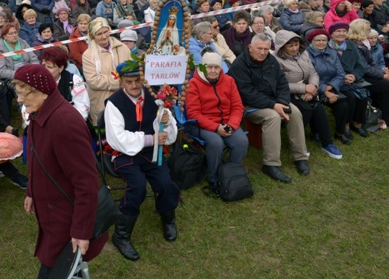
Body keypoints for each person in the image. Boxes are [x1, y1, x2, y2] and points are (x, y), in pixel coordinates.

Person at [16, 65, 107, 277]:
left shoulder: (65, 123)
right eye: (18, 93)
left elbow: (86, 182)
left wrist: (81, 231)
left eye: (23, 93)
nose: (20, 100)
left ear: (42, 90)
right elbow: (38, 160)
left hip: (67, 220)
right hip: (53, 214)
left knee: (56, 270)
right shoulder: (39, 114)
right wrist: (31, 191)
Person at [105, 61, 180, 261]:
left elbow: (169, 135)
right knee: (137, 186)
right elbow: (117, 138)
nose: (134, 85)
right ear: (121, 81)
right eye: (129, 81)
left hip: (152, 152)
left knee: (165, 182)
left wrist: (166, 122)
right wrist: (150, 139)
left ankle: (168, 217)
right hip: (125, 154)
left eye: (138, 80)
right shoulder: (114, 103)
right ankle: (121, 236)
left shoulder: (156, 97)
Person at [229, 34, 309, 183]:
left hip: (273, 100)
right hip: (247, 105)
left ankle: (300, 157)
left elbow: (282, 83)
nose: (262, 52)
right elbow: (247, 94)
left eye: (266, 49)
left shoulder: (270, 60)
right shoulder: (239, 65)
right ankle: (270, 164)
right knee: (272, 117)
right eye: (259, 48)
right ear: (250, 48)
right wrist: (274, 105)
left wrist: (282, 103)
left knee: (295, 112)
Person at [273, 31, 343, 159]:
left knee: (318, 109)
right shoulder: (275, 60)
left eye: (296, 44)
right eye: (290, 46)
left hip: (308, 90)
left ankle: (327, 143)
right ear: (282, 47)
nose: (295, 48)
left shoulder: (303, 53)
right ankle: (297, 143)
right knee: (304, 110)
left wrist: (313, 88)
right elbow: (279, 84)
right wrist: (304, 88)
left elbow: (313, 73)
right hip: (286, 94)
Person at [185, 52, 248, 196]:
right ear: (203, 67)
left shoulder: (229, 81)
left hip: (226, 121)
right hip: (201, 124)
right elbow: (193, 114)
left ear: (221, 68)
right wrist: (215, 128)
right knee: (216, 142)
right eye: (209, 67)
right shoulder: (193, 84)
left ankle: (231, 174)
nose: (213, 70)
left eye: (216, 67)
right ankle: (213, 177)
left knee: (241, 141)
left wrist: (231, 125)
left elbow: (238, 107)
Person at [305, 29, 358, 145]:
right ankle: (315, 132)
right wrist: (325, 90)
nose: (321, 43)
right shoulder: (306, 55)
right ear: (311, 41)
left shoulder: (332, 52)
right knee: (315, 105)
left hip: (333, 85)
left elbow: (340, 73)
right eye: (317, 40)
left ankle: (340, 132)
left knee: (344, 104)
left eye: (324, 40)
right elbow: (309, 77)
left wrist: (330, 87)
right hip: (313, 87)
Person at [347, 19, 389, 127]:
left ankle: (388, 113)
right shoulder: (354, 45)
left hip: (367, 75)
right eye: (368, 29)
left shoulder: (363, 43)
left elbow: (372, 63)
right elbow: (364, 68)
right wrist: (382, 76)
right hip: (359, 77)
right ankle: (388, 119)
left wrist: (382, 72)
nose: (369, 31)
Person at [82, 18, 131, 123]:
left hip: (125, 97)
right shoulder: (88, 55)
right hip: (101, 102)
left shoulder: (123, 48)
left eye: (105, 32)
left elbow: (130, 70)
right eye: (99, 34)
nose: (104, 36)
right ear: (92, 36)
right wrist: (119, 82)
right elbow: (93, 81)